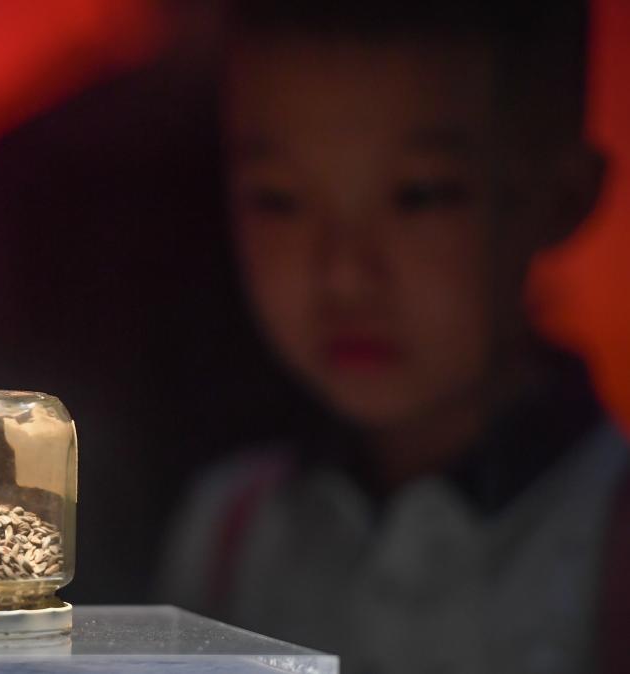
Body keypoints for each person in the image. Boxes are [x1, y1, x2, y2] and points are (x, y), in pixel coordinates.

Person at [157, 2, 629, 673]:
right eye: (279, 199)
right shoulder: (230, 533)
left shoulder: (609, 544)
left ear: (560, 197)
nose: (344, 275)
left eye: (418, 196)